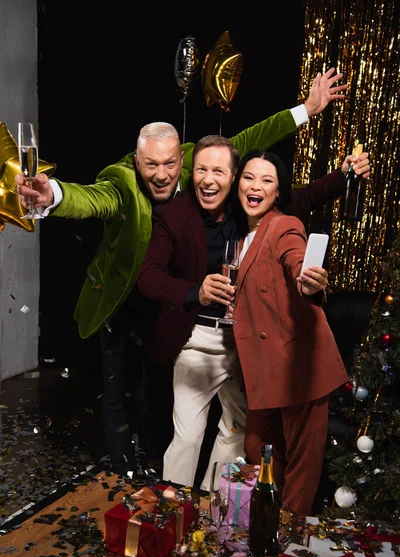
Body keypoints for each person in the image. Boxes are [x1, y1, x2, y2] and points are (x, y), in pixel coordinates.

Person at [16, 68, 349, 477]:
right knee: (124, 389)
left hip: (205, 323)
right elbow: (92, 201)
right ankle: (131, 480)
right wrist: (55, 196)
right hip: (125, 301)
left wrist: (309, 111)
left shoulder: (216, 177)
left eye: (170, 163)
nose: (161, 174)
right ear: (137, 161)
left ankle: (204, 500)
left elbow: (259, 152)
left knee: (210, 420)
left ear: (185, 161)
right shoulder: (129, 186)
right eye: (151, 164)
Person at [136, 136, 367, 492]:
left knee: (237, 433)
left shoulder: (248, 207)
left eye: (219, 171)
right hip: (196, 338)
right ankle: (174, 510)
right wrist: (194, 291)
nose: (209, 180)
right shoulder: (173, 215)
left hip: (245, 346)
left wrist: (341, 176)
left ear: (232, 176)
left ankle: (216, 508)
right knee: (188, 437)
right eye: (201, 170)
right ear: (189, 171)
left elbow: (296, 206)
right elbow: (148, 275)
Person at [231, 149, 349, 516]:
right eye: (249, 177)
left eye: (267, 180)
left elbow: (296, 259)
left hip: (301, 362)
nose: (255, 186)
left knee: (302, 460)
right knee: (256, 447)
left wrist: (307, 280)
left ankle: (292, 534)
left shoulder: (283, 226)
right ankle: (272, 517)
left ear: (279, 192)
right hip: (267, 367)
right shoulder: (240, 236)